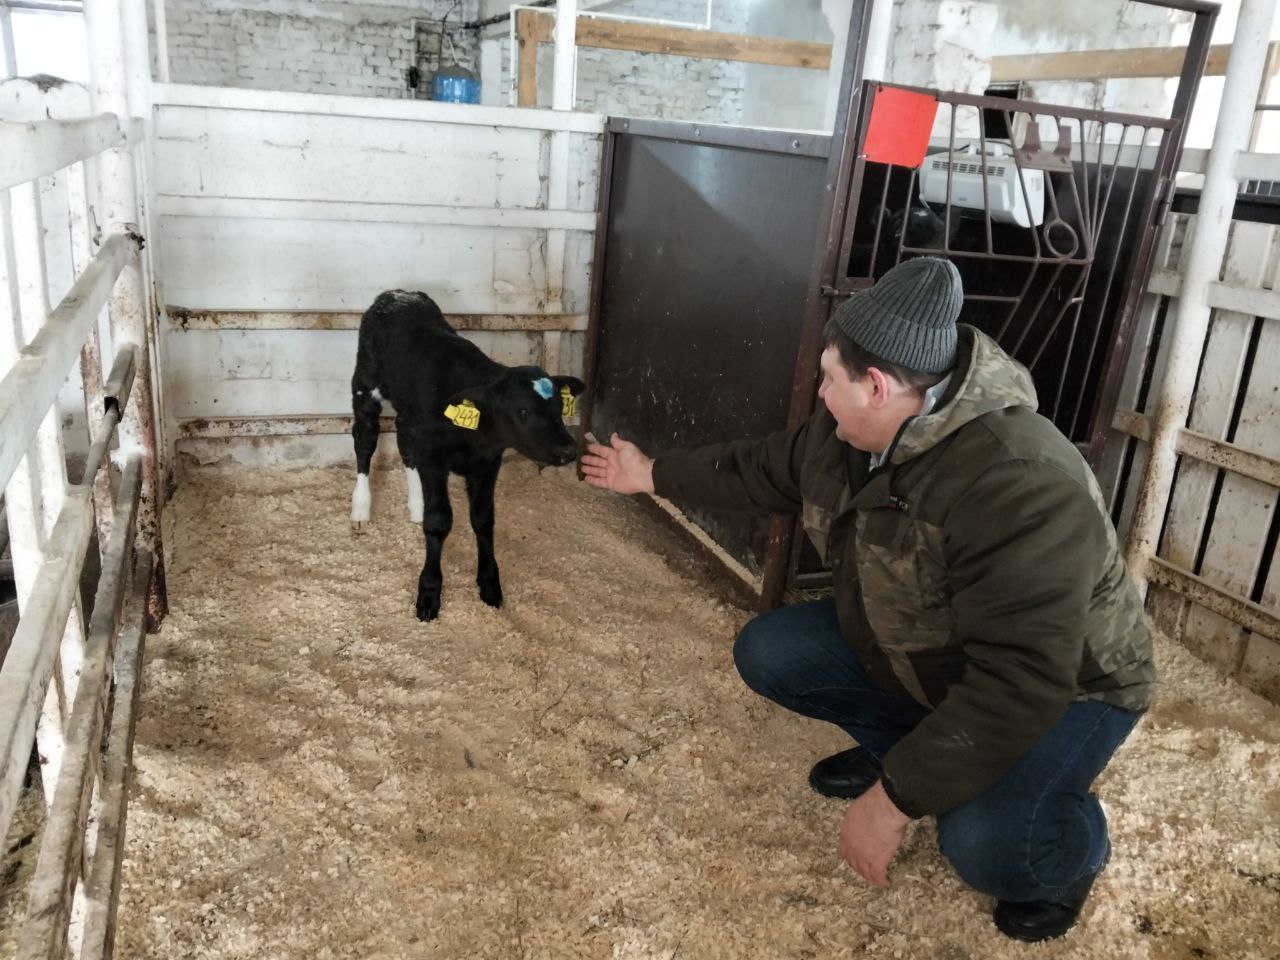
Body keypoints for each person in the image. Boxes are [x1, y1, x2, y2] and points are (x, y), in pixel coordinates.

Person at [579, 256, 1154, 942]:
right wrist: (650, 473)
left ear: (877, 386)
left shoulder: (1019, 481)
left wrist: (892, 804)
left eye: (829, 378)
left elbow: (1021, 680)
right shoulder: (846, 434)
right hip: (940, 645)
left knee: (984, 845)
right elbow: (763, 468)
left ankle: (1069, 852)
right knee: (773, 652)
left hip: (1072, 686)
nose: (820, 393)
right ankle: (908, 753)